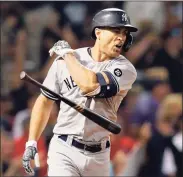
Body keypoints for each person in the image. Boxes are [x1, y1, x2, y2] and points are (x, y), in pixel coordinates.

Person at [22, 8, 138, 176]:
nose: (121, 37)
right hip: (64, 149)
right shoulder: (65, 60)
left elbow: (88, 85)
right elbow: (45, 100)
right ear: (98, 33)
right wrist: (31, 142)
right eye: (115, 31)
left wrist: (68, 55)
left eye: (125, 33)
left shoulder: (125, 69)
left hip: (99, 155)